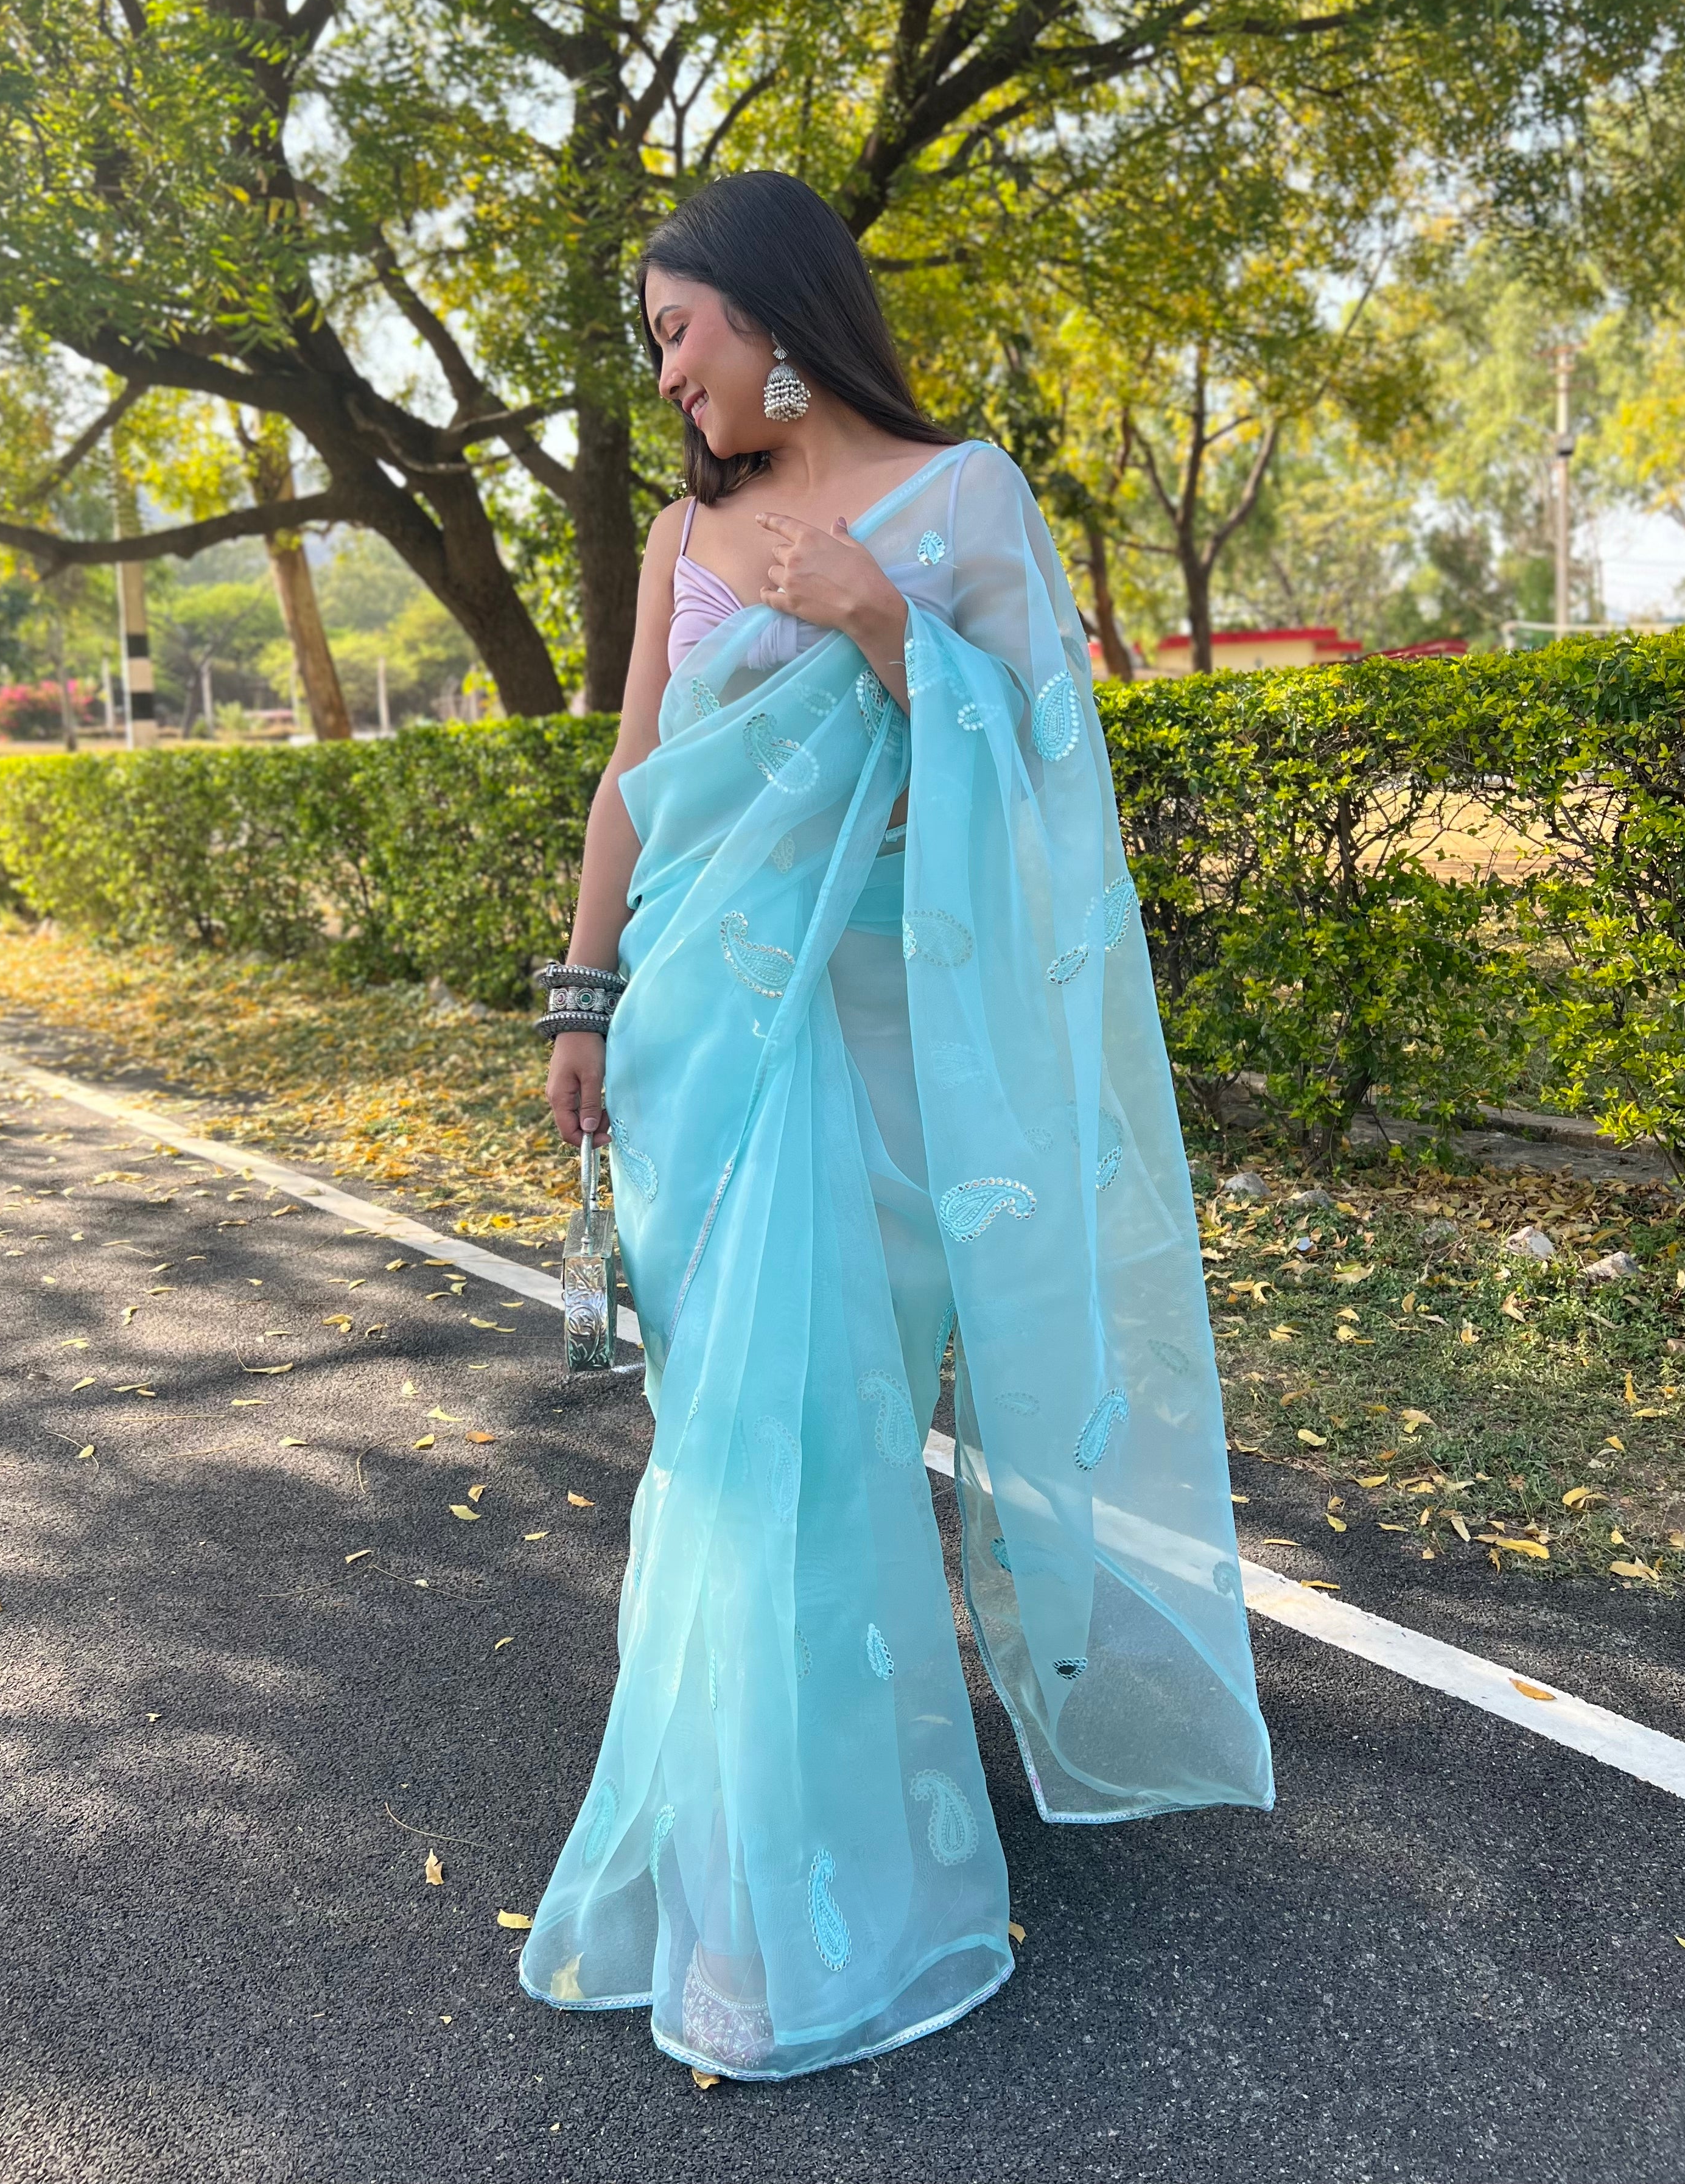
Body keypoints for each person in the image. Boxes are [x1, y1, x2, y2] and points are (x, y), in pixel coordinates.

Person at [524, 170, 1272, 2082]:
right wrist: (584, 995)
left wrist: (881, 633)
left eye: (678, 328)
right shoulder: (687, 542)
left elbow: (1047, 797)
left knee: (840, 1433)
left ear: (775, 316)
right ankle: (758, 1871)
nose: (665, 372)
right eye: (655, 343)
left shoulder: (964, 503)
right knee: (742, 1439)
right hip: (707, 1053)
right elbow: (635, 784)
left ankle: (829, 1875)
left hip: (888, 1047)